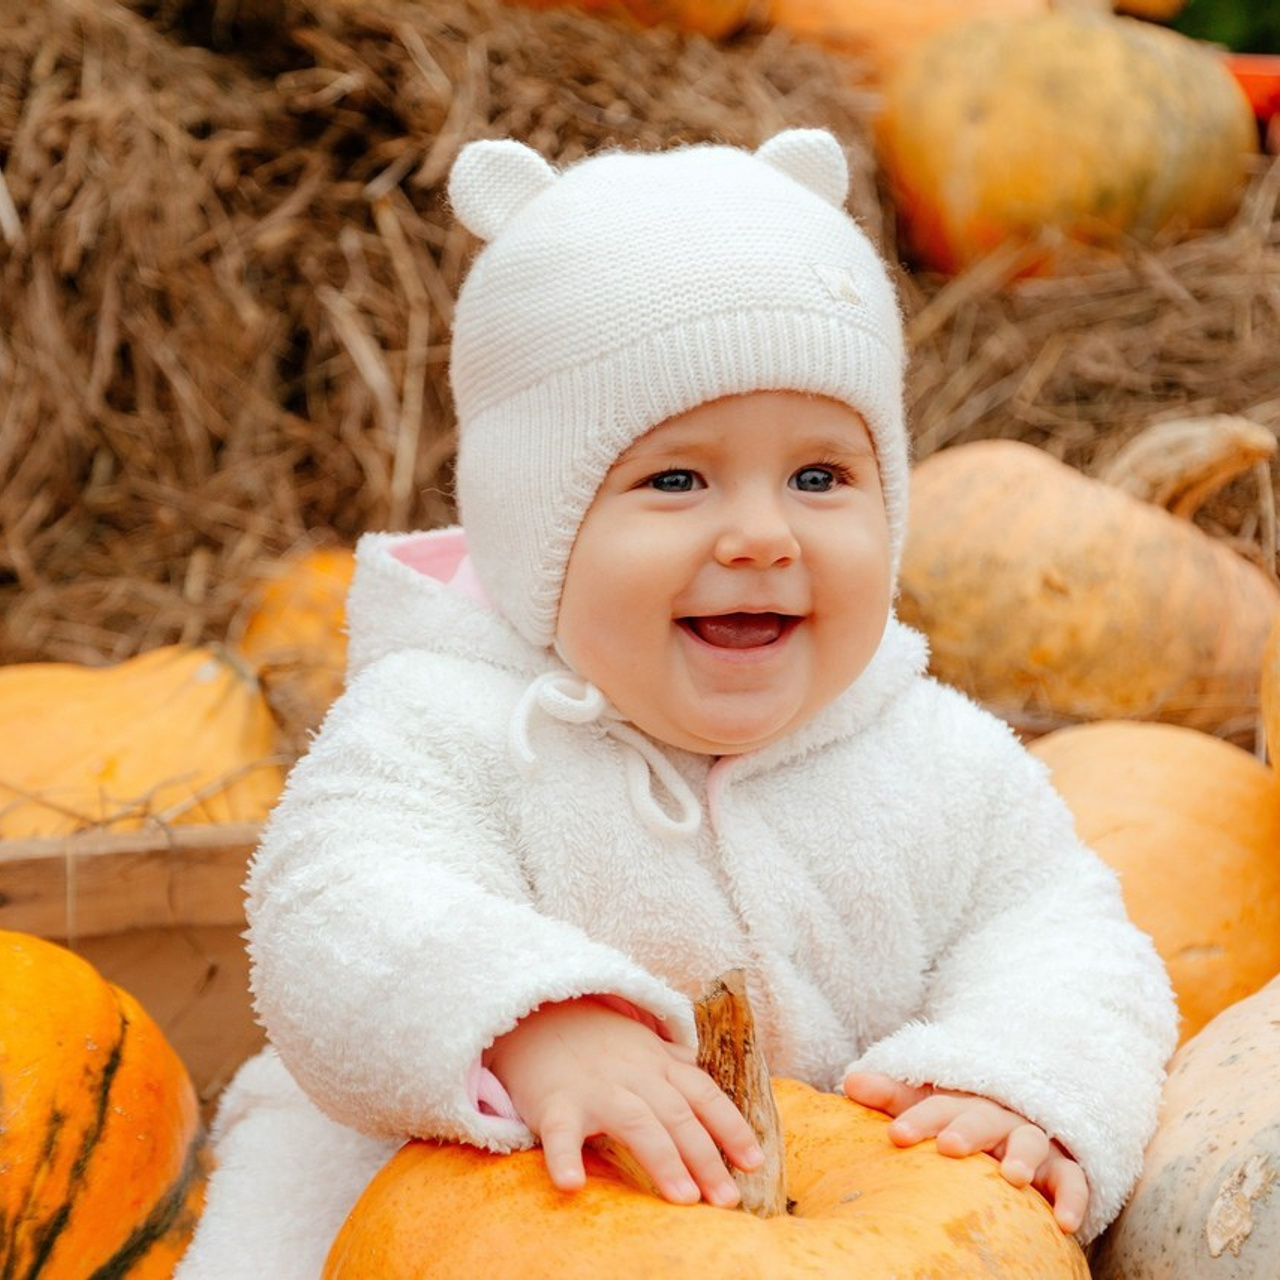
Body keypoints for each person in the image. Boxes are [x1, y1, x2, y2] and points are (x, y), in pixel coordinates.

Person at [177, 128, 1177, 1277]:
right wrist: (525, 1018)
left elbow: (1060, 932)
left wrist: (1016, 1070)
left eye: (818, 476)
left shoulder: (936, 757)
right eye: (674, 479)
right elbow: (334, 905)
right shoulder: (440, 729)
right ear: (533, 528)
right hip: (447, 1224)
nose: (759, 534)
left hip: (830, 1231)